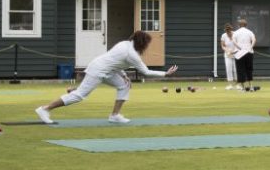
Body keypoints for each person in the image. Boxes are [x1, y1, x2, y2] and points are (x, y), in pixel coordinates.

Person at [34, 31, 178, 124]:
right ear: (142, 43)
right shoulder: (132, 54)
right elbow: (145, 72)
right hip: (98, 71)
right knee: (79, 96)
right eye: (147, 43)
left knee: (124, 85)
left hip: (107, 70)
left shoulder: (124, 43)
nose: (147, 46)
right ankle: (45, 109)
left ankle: (115, 115)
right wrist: (165, 73)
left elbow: (116, 61)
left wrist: (123, 75)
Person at [232, 18, 256, 91]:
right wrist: (250, 47)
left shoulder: (235, 32)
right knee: (249, 69)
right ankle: (251, 86)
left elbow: (234, 42)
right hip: (249, 53)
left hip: (239, 54)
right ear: (246, 25)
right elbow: (254, 40)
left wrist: (239, 47)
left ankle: (243, 88)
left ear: (239, 25)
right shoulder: (249, 32)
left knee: (240, 70)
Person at [219, 23, 240, 90]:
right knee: (229, 70)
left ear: (231, 29)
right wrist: (227, 51)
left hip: (236, 54)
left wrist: (233, 51)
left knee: (236, 70)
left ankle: (238, 85)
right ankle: (230, 85)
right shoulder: (223, 36)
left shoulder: (236, 35)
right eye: (227, 30)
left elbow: (238, 45)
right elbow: (223, 46)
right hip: (227, 55)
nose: (228, 32)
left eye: (229, 30)